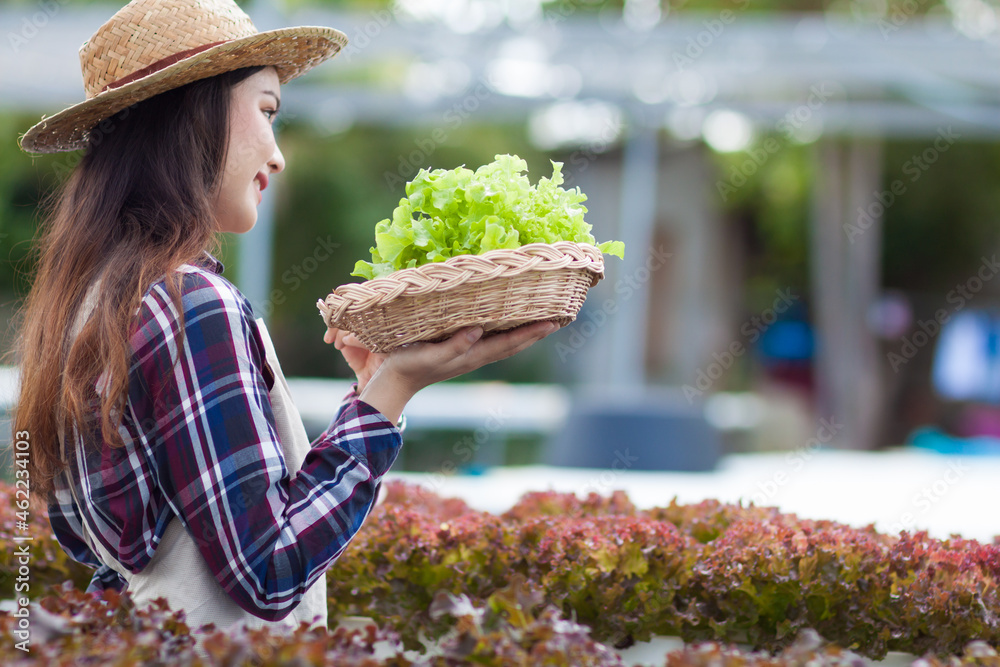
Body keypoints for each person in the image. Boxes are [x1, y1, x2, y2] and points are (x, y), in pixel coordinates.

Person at [13, 0, 557, 638]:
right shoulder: (191, 305)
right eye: (266, 111)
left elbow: (101, 549)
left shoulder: (90, 301)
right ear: (190, 115)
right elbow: (269, 567)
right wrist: (390, 393)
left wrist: (378, 386)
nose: (277, 155)